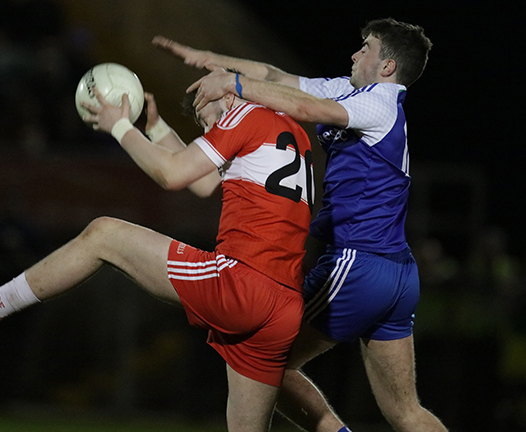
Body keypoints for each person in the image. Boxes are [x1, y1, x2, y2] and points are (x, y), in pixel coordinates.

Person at [0, 77, 314, 431]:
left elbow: (172, 174)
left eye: (203, 111)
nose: (204, 125)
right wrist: (155, 128)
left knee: (104, 234)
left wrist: (119, 125)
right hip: (283, 305)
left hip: (239, 282)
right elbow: (204, 182)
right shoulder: (289, 131)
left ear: (228, 95)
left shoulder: (242, 113)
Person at [153, 17, 448, 432]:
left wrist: (233, 86)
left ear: (386, 67)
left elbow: (307, 109)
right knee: (406, 412)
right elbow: (276, 77)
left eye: (365, 47)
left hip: (358, 264)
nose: (354, 53)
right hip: (396, 272)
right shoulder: (353, 92)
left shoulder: (379, 101)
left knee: (263, 355)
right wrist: (213, 61)